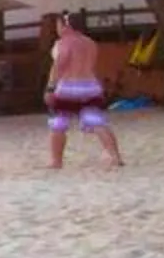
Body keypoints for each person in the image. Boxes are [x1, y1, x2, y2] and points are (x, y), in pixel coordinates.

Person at [44, 11, 124, 169]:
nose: (57, 29)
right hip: (90, 86)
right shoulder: (90, 43)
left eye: (58, 25)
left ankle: (56, 161)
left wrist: (50, 87)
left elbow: (60, 64)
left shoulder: (64, 43)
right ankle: (115, 156)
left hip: (68, 86)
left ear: (66, 26)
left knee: (58, 124)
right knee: (98, 122)